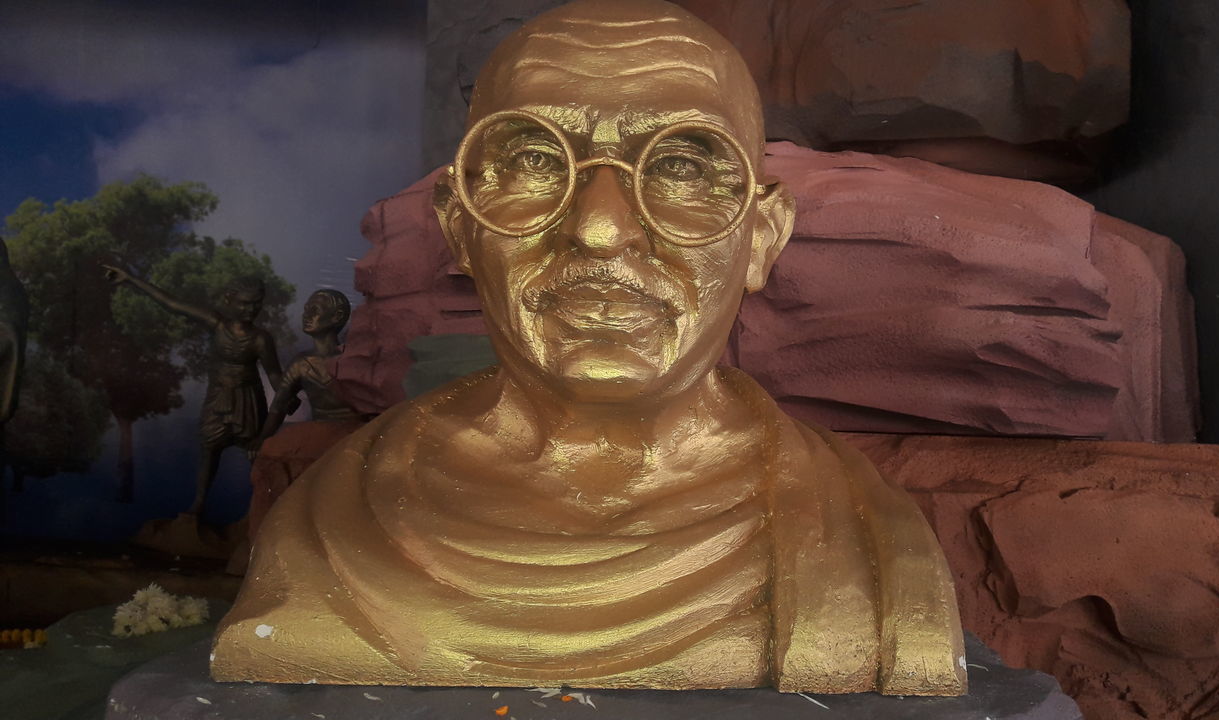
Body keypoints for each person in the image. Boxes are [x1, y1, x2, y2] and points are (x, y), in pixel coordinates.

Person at [212, 0, 965, 695]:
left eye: (680, 164)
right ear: (458, 226)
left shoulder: (862, 539)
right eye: (536, 159)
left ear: (762, 237)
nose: (601, 228)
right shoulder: (334, 524)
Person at [102, 266, 284, 518]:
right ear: (228, 300)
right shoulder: (217, 325)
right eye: (244, 304)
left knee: (257, 454)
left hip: (248, 400)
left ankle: (264, 510)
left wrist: (285, 397)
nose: (250, 310)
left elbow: (275, 375)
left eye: (256, 304)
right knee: (209, 450)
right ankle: (198, 504)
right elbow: (172, 303)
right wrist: (131, 279)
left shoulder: (260, 339)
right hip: (219, 398)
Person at [251, 288, 359, 450]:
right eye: (306, 309)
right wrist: (262, 440)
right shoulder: (301, 363)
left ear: (337, 316)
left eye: (314, 310)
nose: (306, 315)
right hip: (320, 437)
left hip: (355, 438)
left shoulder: (354, 359)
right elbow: (278, 407)